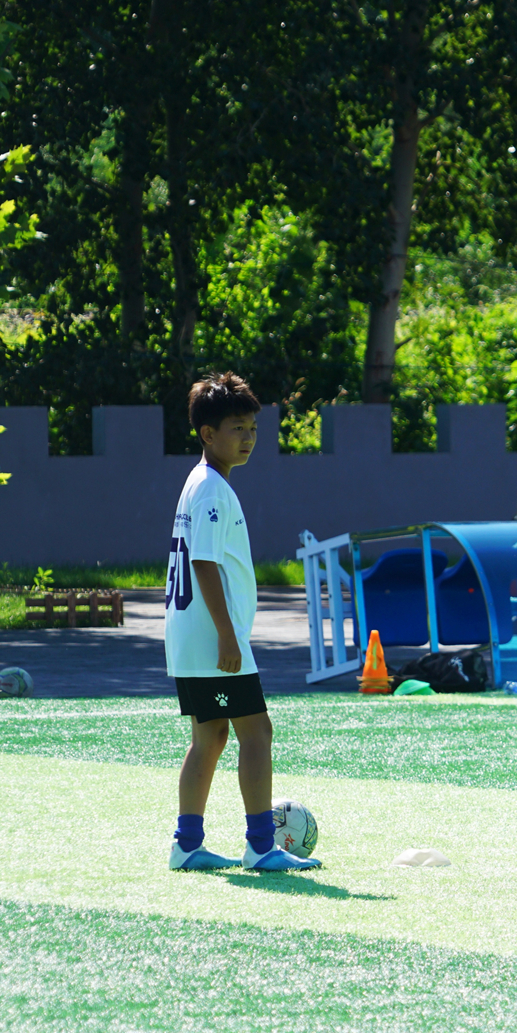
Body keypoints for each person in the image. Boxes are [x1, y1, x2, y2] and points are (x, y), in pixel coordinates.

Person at [165, 372, 318, 872]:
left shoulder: (203, 482)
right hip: (214, 641)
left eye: (252, 427)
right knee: (258, 732)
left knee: (209, 738)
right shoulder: (211, 489)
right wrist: (229, 636)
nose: (248, 438)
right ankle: (260, 845)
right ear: (208, 434)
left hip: (193, 640)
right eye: (236, 428)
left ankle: (187, 845)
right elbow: (203, 564)